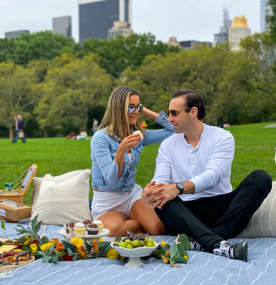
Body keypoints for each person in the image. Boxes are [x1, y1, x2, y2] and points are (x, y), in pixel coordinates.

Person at [142, 89, 272, 262]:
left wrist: (179, 187)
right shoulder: (167, 145)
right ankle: (218, 244)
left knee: (261, 178)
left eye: (174, 113)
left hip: (220, 207)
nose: (169, 119)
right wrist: (152, 190)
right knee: (162, 199)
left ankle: (205, 241)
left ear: (193, 112)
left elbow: (213, 175)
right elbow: (161, 180)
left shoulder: (222, 137)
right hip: (184, 214)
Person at [91, 86, 174, 237]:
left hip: (131, 195)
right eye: (131, 107)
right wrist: (121, 152)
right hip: (107, 201)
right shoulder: (101, 138)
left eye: (138, 106)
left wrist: (144, 110)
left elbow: (173, 130)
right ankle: (134, 224)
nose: (136, 111)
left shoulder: (138, 135)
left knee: (157, 229)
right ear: (119, 109)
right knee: (111, 232)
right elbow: (112, 183)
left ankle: (130, 223)